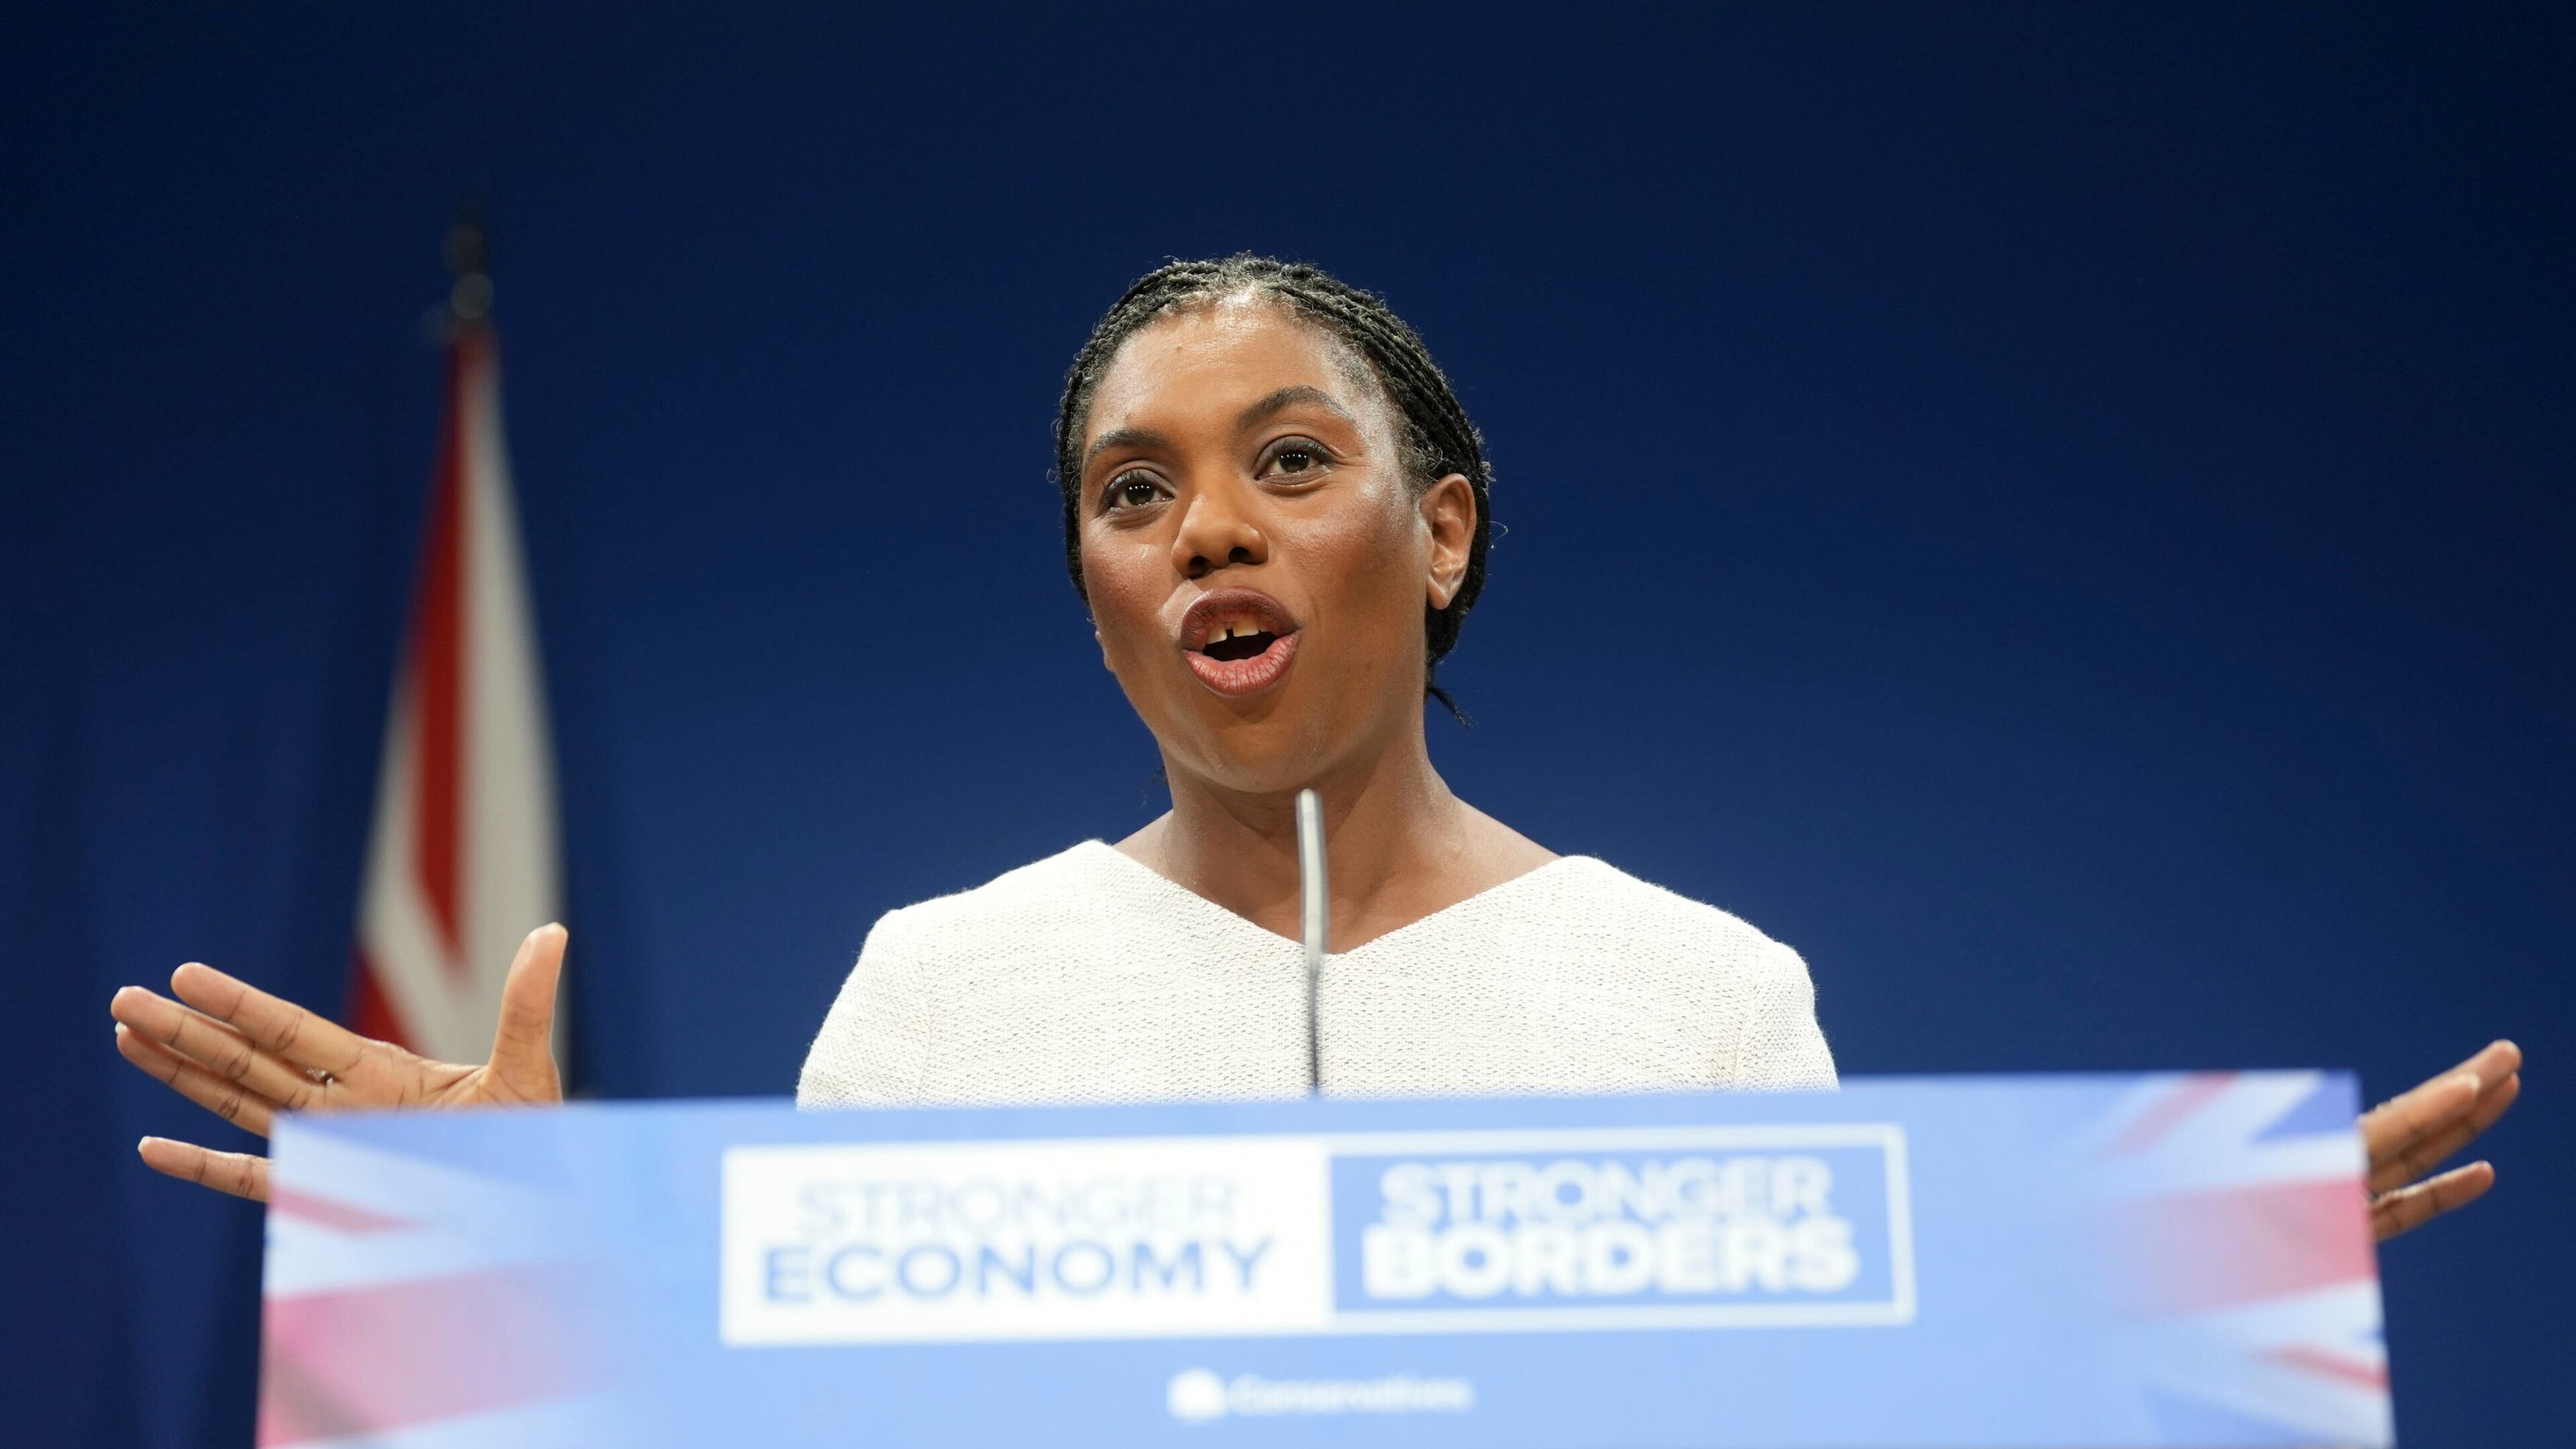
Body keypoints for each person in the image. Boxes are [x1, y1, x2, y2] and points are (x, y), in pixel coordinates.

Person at [107, 256, 2521, 1243]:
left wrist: (2158, 1317)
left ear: (1442, 532)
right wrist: (535, 1274)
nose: (1207, 533)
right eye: (1133, 493)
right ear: (1092, 586)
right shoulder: (937, 990)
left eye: (1290, 460)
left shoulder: (1706, 999)